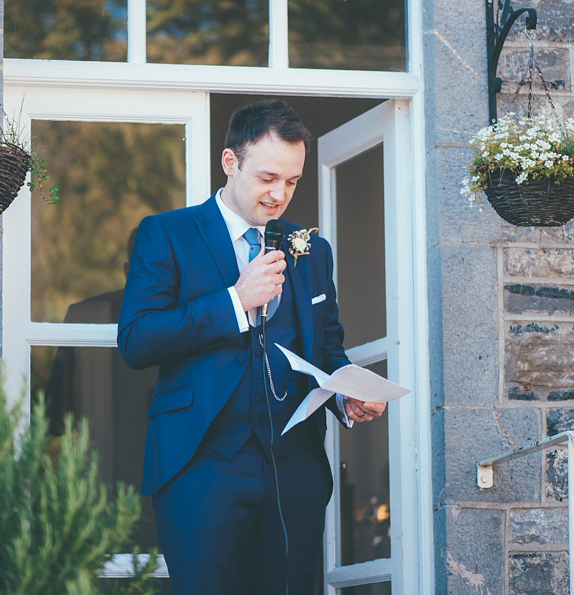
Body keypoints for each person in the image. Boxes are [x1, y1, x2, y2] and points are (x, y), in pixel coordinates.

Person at [118, 100, 386, 595]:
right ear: (229, 162)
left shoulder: (312, 249)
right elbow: (136, 340)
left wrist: (347, 390)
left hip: (295, 468)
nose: (279, 195)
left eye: (292, 182)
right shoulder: (169, 233)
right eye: (267, 178)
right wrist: (234, 302)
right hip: (201, 466)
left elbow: (328, 345)